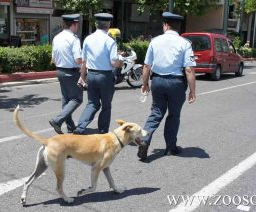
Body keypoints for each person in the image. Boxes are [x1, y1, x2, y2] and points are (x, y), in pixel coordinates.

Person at [137, 12, 196, 161]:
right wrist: (192, 90)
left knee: (156, 112)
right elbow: (189, 69)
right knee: (173, 115)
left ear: (165, 25)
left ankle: (145, 139)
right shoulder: (185, 43)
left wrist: (145, 84)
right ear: (177, 27)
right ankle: (171, 147)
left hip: (157, 81)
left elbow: (146, 66)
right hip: (176, 83)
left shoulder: (155, 41)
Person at [73, 13, 123, 135]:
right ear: (109, 25)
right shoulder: (110, 41)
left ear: (96, 24)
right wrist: (121, 62)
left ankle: (80, 127)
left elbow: (84, 61)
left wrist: (82, 76)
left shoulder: (88, 39)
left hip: (91, 75)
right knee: (106, 106)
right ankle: (103, 131)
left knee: (92, 103)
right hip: (105, 76)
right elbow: (114, 62)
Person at [49, 14, 83, 134]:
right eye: (77, 24)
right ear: (74, 24)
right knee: (77, 99)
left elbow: (53, 58)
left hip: (60, 71)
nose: (78, 26)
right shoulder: (74, 39)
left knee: (66, 99)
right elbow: (78, 59)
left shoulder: (57, 37)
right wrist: (86, 61)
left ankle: (70, 126)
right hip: (71, 72)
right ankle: (57, 121)